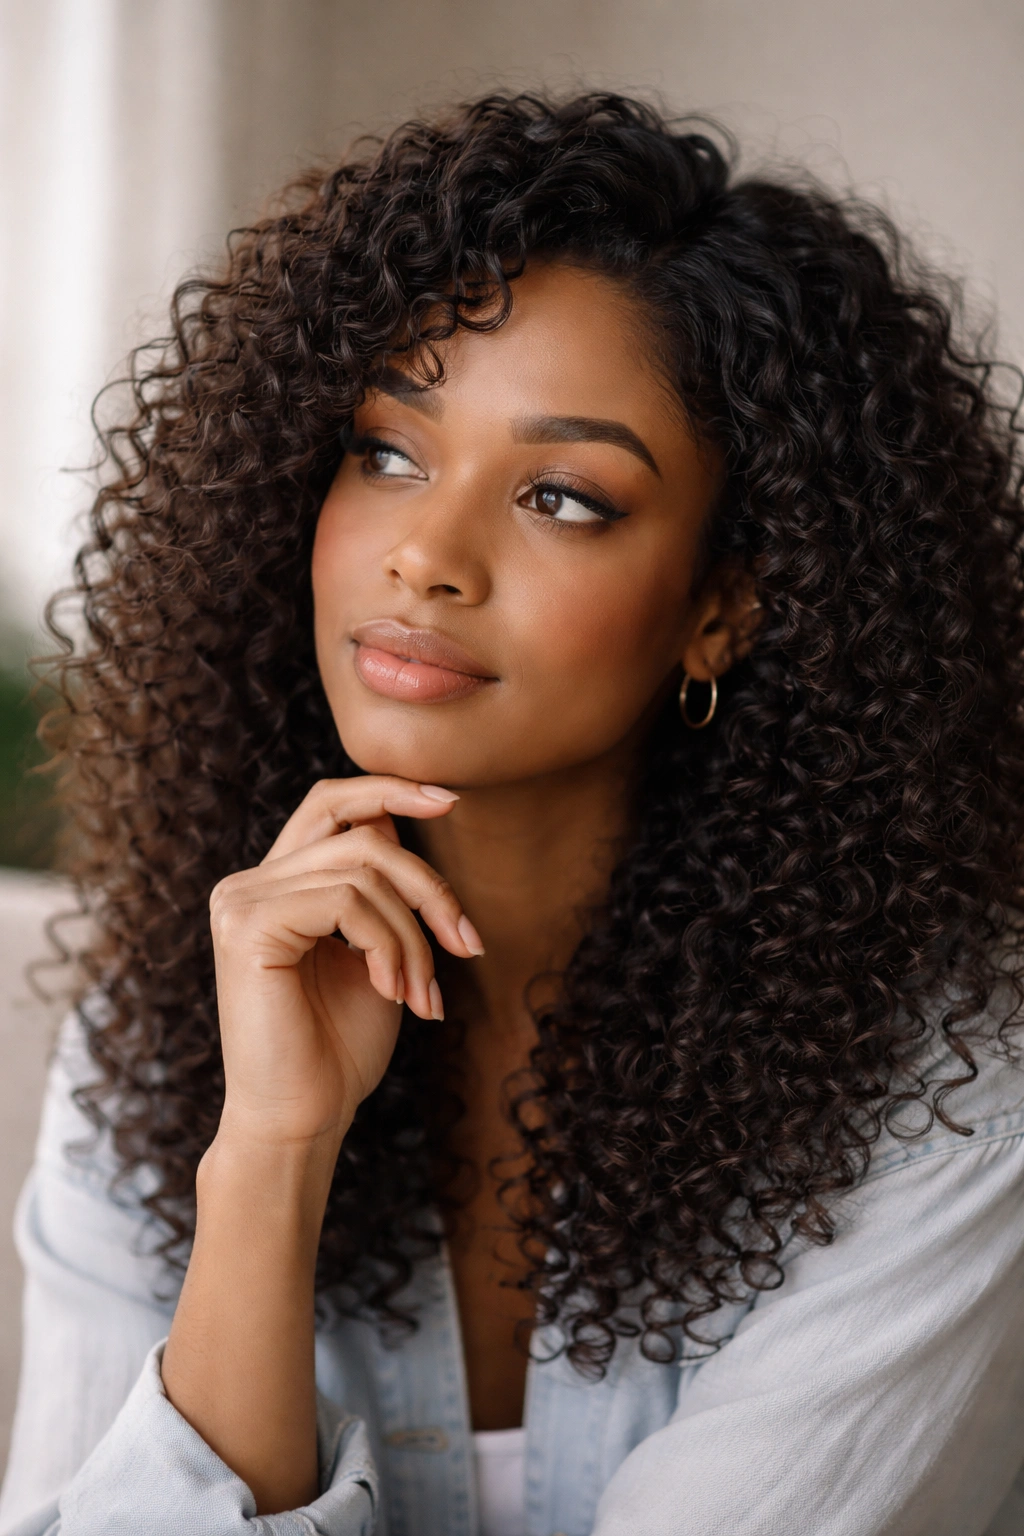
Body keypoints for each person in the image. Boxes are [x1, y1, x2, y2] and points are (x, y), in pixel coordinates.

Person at [2, 91, 1024, 1536]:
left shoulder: (944, 1094)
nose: (427, 553)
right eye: (389, 452)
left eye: (563, 496)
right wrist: (271, 1159)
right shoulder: (167, 1026)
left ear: (725, 608)